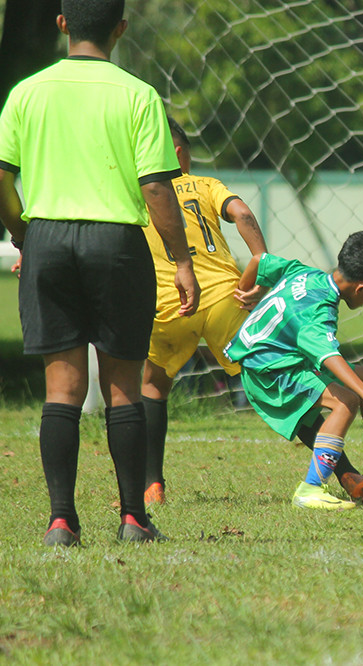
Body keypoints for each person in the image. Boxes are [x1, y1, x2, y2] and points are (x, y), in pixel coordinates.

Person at [0, 0, 200, 546]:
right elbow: (157, 188)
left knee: (61, 390)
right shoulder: (137, 95)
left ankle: (61, 520)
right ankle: (133, 517)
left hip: (49, 238)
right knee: (123, 390)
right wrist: (182, 261)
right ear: (120, 29)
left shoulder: (27, 92)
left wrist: (24, 234)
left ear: (62, 24)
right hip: (117, 244)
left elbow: (2, 177)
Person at [140, 119, 363, 507]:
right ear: (179, 154)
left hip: (172, 298)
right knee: (291, 382)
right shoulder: (204, 185)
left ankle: (151, 484)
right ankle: (345, 474)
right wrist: (259, 262)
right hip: (230, 299)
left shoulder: (140, 192)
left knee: (153, 388)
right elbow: (240, 213)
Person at [224, 231, 363, 511]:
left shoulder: (304, 273)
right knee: (345, 402)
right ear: (362, 288)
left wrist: (247, 292)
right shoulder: (320, 309)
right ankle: (310, 489)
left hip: (282, 358)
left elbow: (259, 260)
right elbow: (328, 356)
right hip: (268, 371)